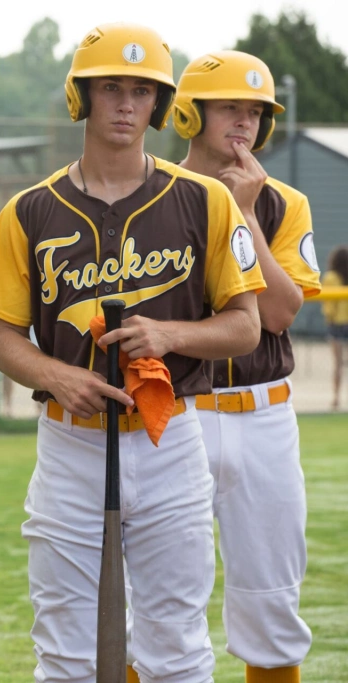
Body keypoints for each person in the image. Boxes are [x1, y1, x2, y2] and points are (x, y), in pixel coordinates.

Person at [0, 23, 265, 682]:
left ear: (159, 105)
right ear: (82, 97)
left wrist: (172, 335)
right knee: (65, 650)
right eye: (110, 89)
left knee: (177, 646)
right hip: (70, 442)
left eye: (141, 91)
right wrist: (55, 374)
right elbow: (4, 339)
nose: (126, 105)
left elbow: (246, 327)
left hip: (170, 437)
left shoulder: (205, 200)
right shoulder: (30, 210)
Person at [162, 50, 323, 683]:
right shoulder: (153, 198)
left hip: (264, 415)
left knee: (271, 602)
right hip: (178, 413)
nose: (245, 123)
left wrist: (247, 214)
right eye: (229, 107)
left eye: (256, 112)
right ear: (189, 115)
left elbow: (280, 313)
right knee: (158, 602)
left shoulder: (284, 203)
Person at [322, 246, 348, 409]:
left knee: (338, 364)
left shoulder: (330, 277)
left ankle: (336, 397)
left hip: (336, 324)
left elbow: (329, 306)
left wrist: (329, 318)